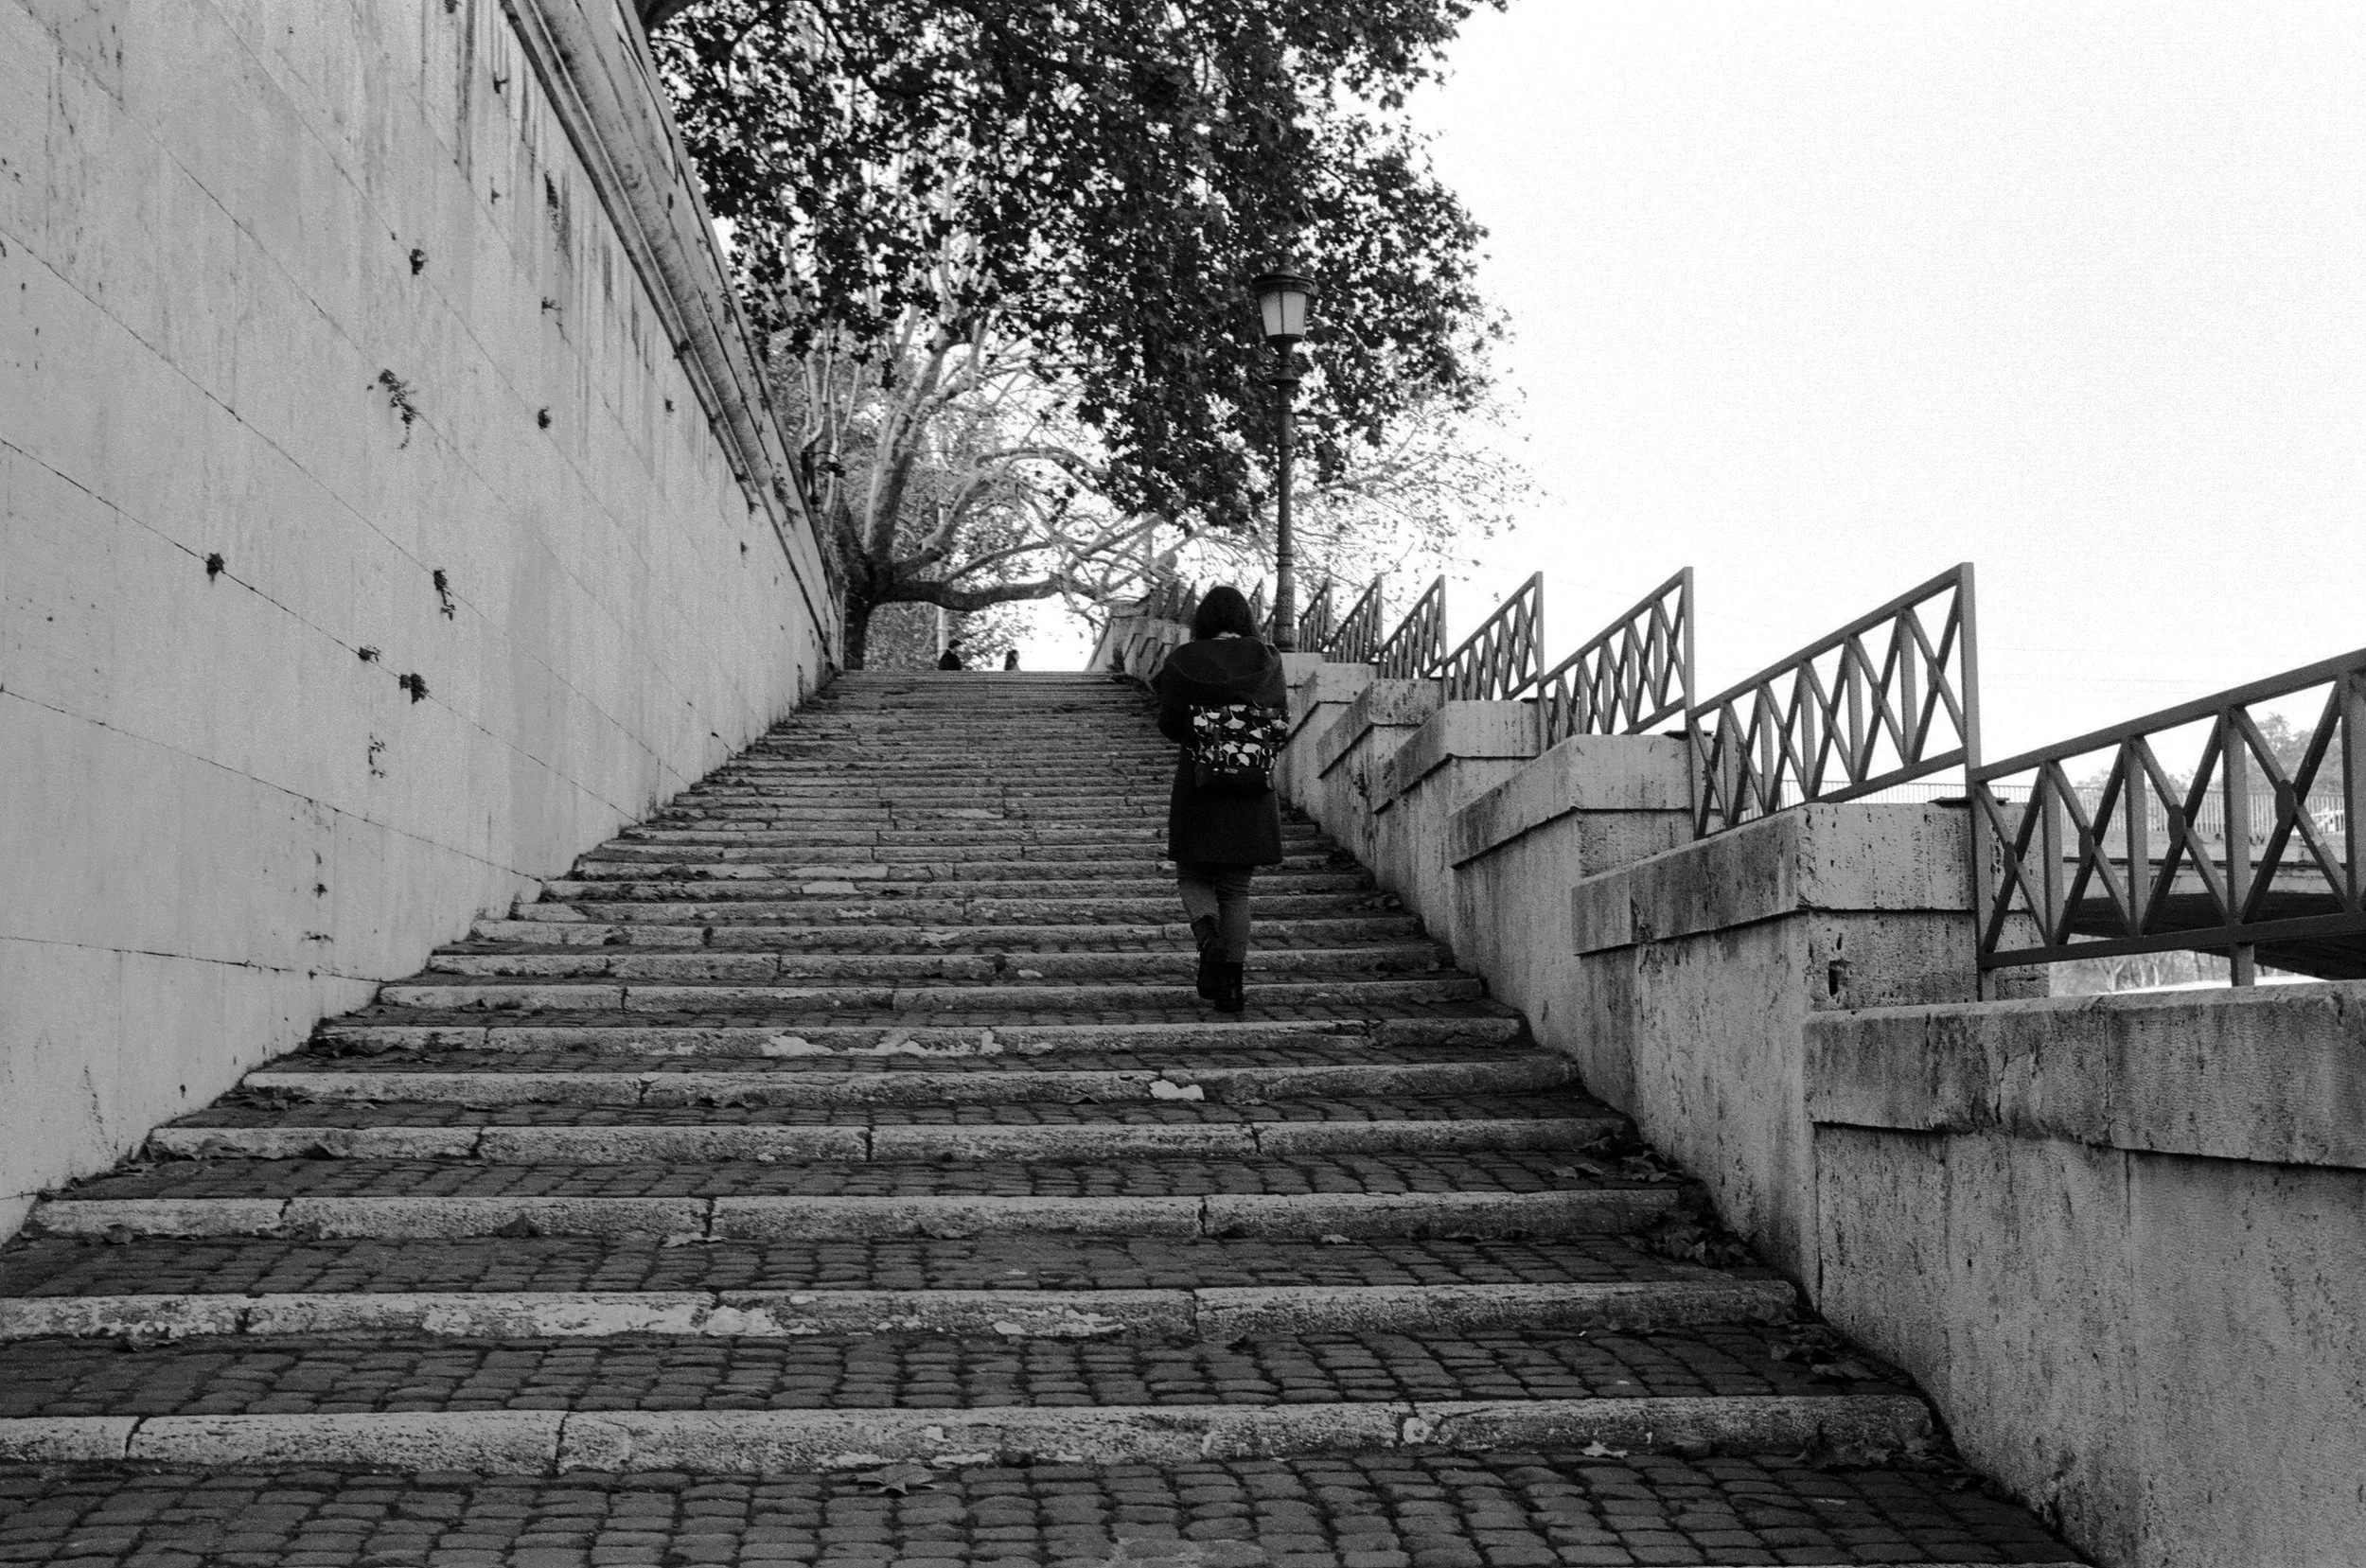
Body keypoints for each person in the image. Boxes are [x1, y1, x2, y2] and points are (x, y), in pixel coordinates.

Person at [1152, 585, 1287, 1013]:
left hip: (1200, 784)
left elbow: (1169, 725)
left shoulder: (1184, 660)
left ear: (1204, 620)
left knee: (1192, 875)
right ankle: (1231, 987)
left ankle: (1208, 939)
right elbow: (1280, 719)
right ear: (1245, 618)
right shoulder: (1267, 659)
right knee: (1235, 889)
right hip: (1251, 786)